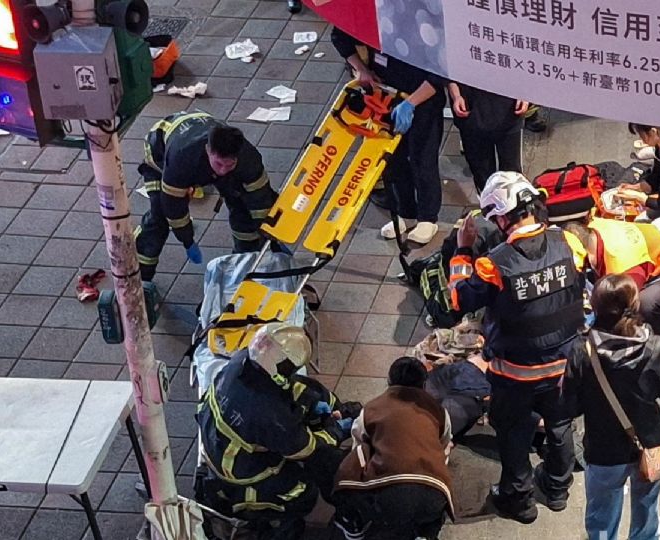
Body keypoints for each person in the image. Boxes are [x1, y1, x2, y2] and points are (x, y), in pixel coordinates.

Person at [447, 171, 586, 523]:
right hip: (567, 365)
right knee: (560, 426)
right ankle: (557, 489)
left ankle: (519, 500)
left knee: (513, 434)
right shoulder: (569, 242)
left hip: (515, 376)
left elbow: (458, 298)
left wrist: (463, 249)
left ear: (502, 217)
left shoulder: (493, 264)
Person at [195, 323, 347, 539]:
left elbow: (288, 387)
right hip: (242, 472)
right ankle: (272, 521)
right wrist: (335, 431)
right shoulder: (268, 413)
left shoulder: (241, 361)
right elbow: (305, 448)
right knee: (303, 493)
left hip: (216, 443)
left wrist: (312, 401)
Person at [565, 274, 660, 540]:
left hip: (603, 449)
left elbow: (570, 406)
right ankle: (645, 536)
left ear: (595, 306)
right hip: (650, 443)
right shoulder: (655, 347)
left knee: (601, 512)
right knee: (646, 503)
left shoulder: (582, 351)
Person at [331, 26, 446, 244]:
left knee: (423, 159)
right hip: (385, 98)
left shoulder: (425, 23)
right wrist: (361, 69)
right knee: (393, 160)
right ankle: (405, 212)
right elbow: (340, 36)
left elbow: (440, 73)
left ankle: (428, 217)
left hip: (423, 102)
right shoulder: (376, 18)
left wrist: (411, 103)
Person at [135, 112, 278, 281]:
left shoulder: (247, 157)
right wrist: (187, 239)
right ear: (208, 150)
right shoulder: (181, 159)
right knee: (159, 218)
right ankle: (139, 280)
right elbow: (173, 208)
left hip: (198, 135)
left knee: (241, 203)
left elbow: (261, 198)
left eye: (229, 165)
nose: (223, 170)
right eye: (219, 164)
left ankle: (245, 260)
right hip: (159, 154)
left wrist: (269, 233)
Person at [333, 357, 454, 540]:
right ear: (424, 385)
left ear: (389, 381)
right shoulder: (438, 411)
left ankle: (354, 522)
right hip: (434, 495)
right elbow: (445, 446)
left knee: (357, 454)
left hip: (388, 500)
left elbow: (357, 446)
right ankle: (426, 533)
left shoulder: (371, 409)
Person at [564, 218, 660, 347]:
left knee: (643, 304)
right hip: (642, 252)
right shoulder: (594, 227)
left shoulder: (622, 265)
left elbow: (628, 307)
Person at [447, 82, 528, 193]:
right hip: (471, 113)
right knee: (483, 177)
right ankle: (489, 206)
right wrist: (456, 96)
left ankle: (513, 207)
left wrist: (525, 93)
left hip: (509, 110)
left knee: (512, 175)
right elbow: (448, 71)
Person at [616, 125, 660, 225]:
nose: (641, 139)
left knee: (642, 221)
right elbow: (656, 177)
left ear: (654, 132)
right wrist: (635, 187)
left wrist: (639, 197)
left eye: (642, 135)